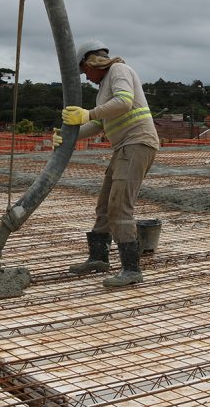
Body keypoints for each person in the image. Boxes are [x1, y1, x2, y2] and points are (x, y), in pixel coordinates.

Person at [58, 39, 160, 287]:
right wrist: (67, 136)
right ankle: (98, 257)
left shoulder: (119, 71)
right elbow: (100, 124)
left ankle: (132, 269)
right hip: (124, 147)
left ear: (92, 62)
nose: (86, 77)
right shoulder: (104, 86)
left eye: (85, 71)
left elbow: (124, 102)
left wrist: (88, 113)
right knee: (105, 203)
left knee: (119, 206)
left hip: (137, 143)